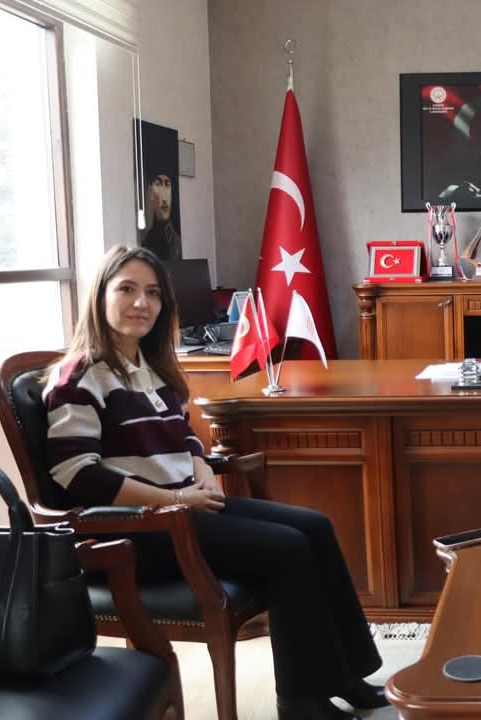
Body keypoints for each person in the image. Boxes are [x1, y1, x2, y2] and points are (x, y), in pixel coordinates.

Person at [43, 246, 384, 720]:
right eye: (127, 289)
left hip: (181, 509)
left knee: (315, 526)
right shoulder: (79, 376)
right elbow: (77, 473)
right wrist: (174, 498)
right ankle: (301, 701)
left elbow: (186, 440)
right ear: (99, 296)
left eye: (153, 293)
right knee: (287, 549)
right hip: (136, 530)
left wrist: (201, 474)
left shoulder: (151, 368)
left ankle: (346, 674)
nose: (142, 303)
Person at [140, 172, 183, 260]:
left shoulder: (177, 239)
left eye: (167, 185)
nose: (164, 198)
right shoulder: (147, 242)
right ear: (151, 192)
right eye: (158, 184)